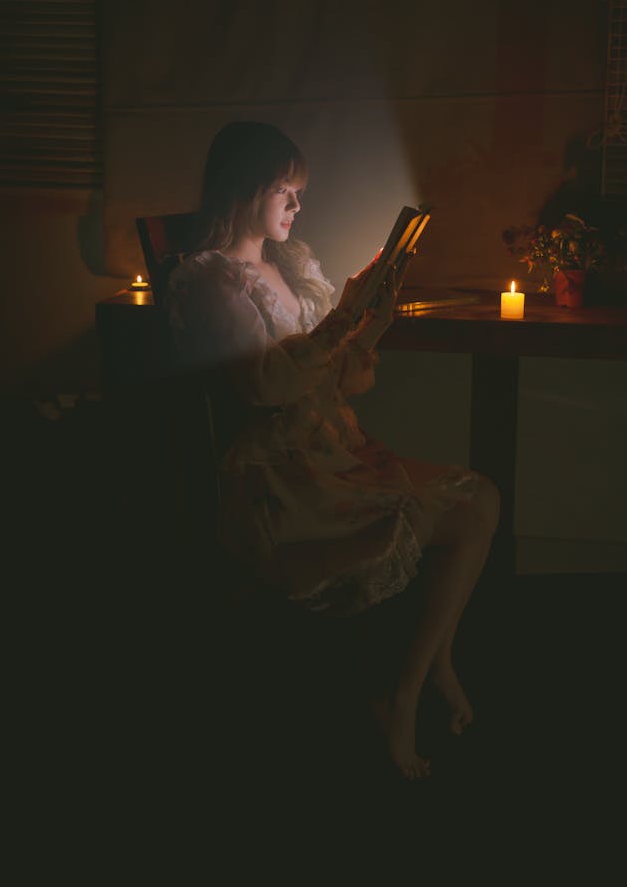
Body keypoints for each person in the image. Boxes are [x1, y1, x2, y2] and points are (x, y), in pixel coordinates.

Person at [166, 121, 500, 781]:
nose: (297, 205)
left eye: (298, 192)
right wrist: (343, 318)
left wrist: (368, 322)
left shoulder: (291, 265)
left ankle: (434, 663)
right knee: (447, 512)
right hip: (281, 474)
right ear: (247, 189)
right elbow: (264, 388)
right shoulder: (210, 281)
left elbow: (340, 379)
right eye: (286, 191)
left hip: (334, 447)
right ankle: (403, 692)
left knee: (481, 498)